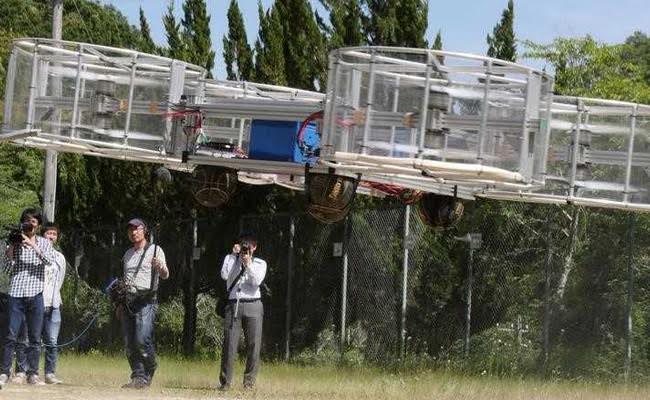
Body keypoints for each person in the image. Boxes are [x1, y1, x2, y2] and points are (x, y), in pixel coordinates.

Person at [0, 208, 55, 389]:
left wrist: (32, 245)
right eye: (26, 221)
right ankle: (5, 372)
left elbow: (48, 262)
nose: (29, 225)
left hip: (35, 295)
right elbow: (6, 270)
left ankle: (33, 374)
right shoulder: (14, 242)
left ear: (38, 225)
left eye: (33, 222)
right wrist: (11, 250)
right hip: (15, 294)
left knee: (34, 337)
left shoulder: (44, 243)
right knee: (11, 335)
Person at [119, 218, 169, 389]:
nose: (134, 232)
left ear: (145, 230)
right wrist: (119, 302)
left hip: (147, 300)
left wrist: (160, 266)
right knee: (129, 342)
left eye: (137, 229)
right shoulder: (127, 254)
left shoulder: (155, 250)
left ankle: (150, 364)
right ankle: (138, 377)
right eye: (130, 230)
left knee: (142, 339)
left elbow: (165, 274)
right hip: (128, 300)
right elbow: (125, 279)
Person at [218, 234, 267, 391]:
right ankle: (225, 383)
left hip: (253, 304)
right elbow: (224, 275)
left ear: (255, 248)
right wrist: (233, 256)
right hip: (234, 304)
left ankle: (249, 383)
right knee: (229, 344)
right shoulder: (231, 259)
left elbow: (256, 281)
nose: (246, 249)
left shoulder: (260, 263)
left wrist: (248, 264)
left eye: (249, 246)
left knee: (253, 345)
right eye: (243, 246)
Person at [40, 222, 66, 384]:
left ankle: (50, 373)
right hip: (36, 301)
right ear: (42, 235)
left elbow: (60, 279)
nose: (51, 236)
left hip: (54, 303)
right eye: (48, 233)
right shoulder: (35, 252)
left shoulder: (60, 257)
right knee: (31, 338)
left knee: (52, 340)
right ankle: (28, 372)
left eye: (54, 234)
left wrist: (55, 295)